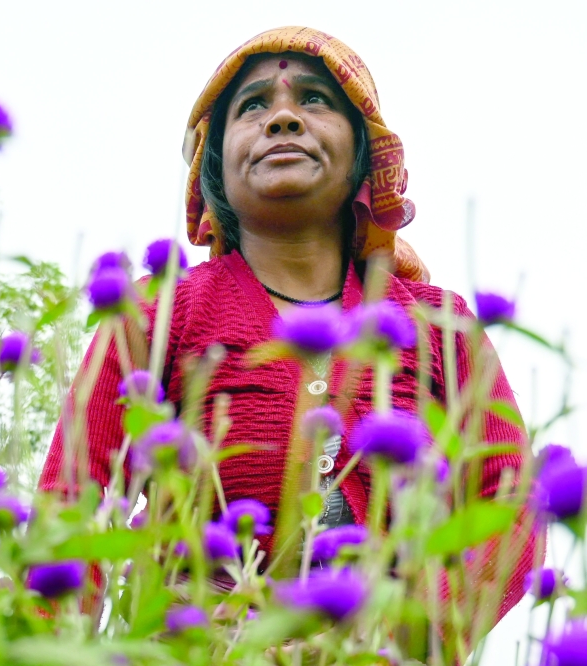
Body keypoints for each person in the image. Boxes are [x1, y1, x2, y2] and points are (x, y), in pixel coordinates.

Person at [38, 26, 535, 627]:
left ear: (363, 157)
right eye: (253, 106)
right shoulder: (155, 317)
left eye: (315, 99)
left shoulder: (440, 327)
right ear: (214, 166)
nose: (282, 119)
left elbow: (512, 513)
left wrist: (407, 628)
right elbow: (69, 513)